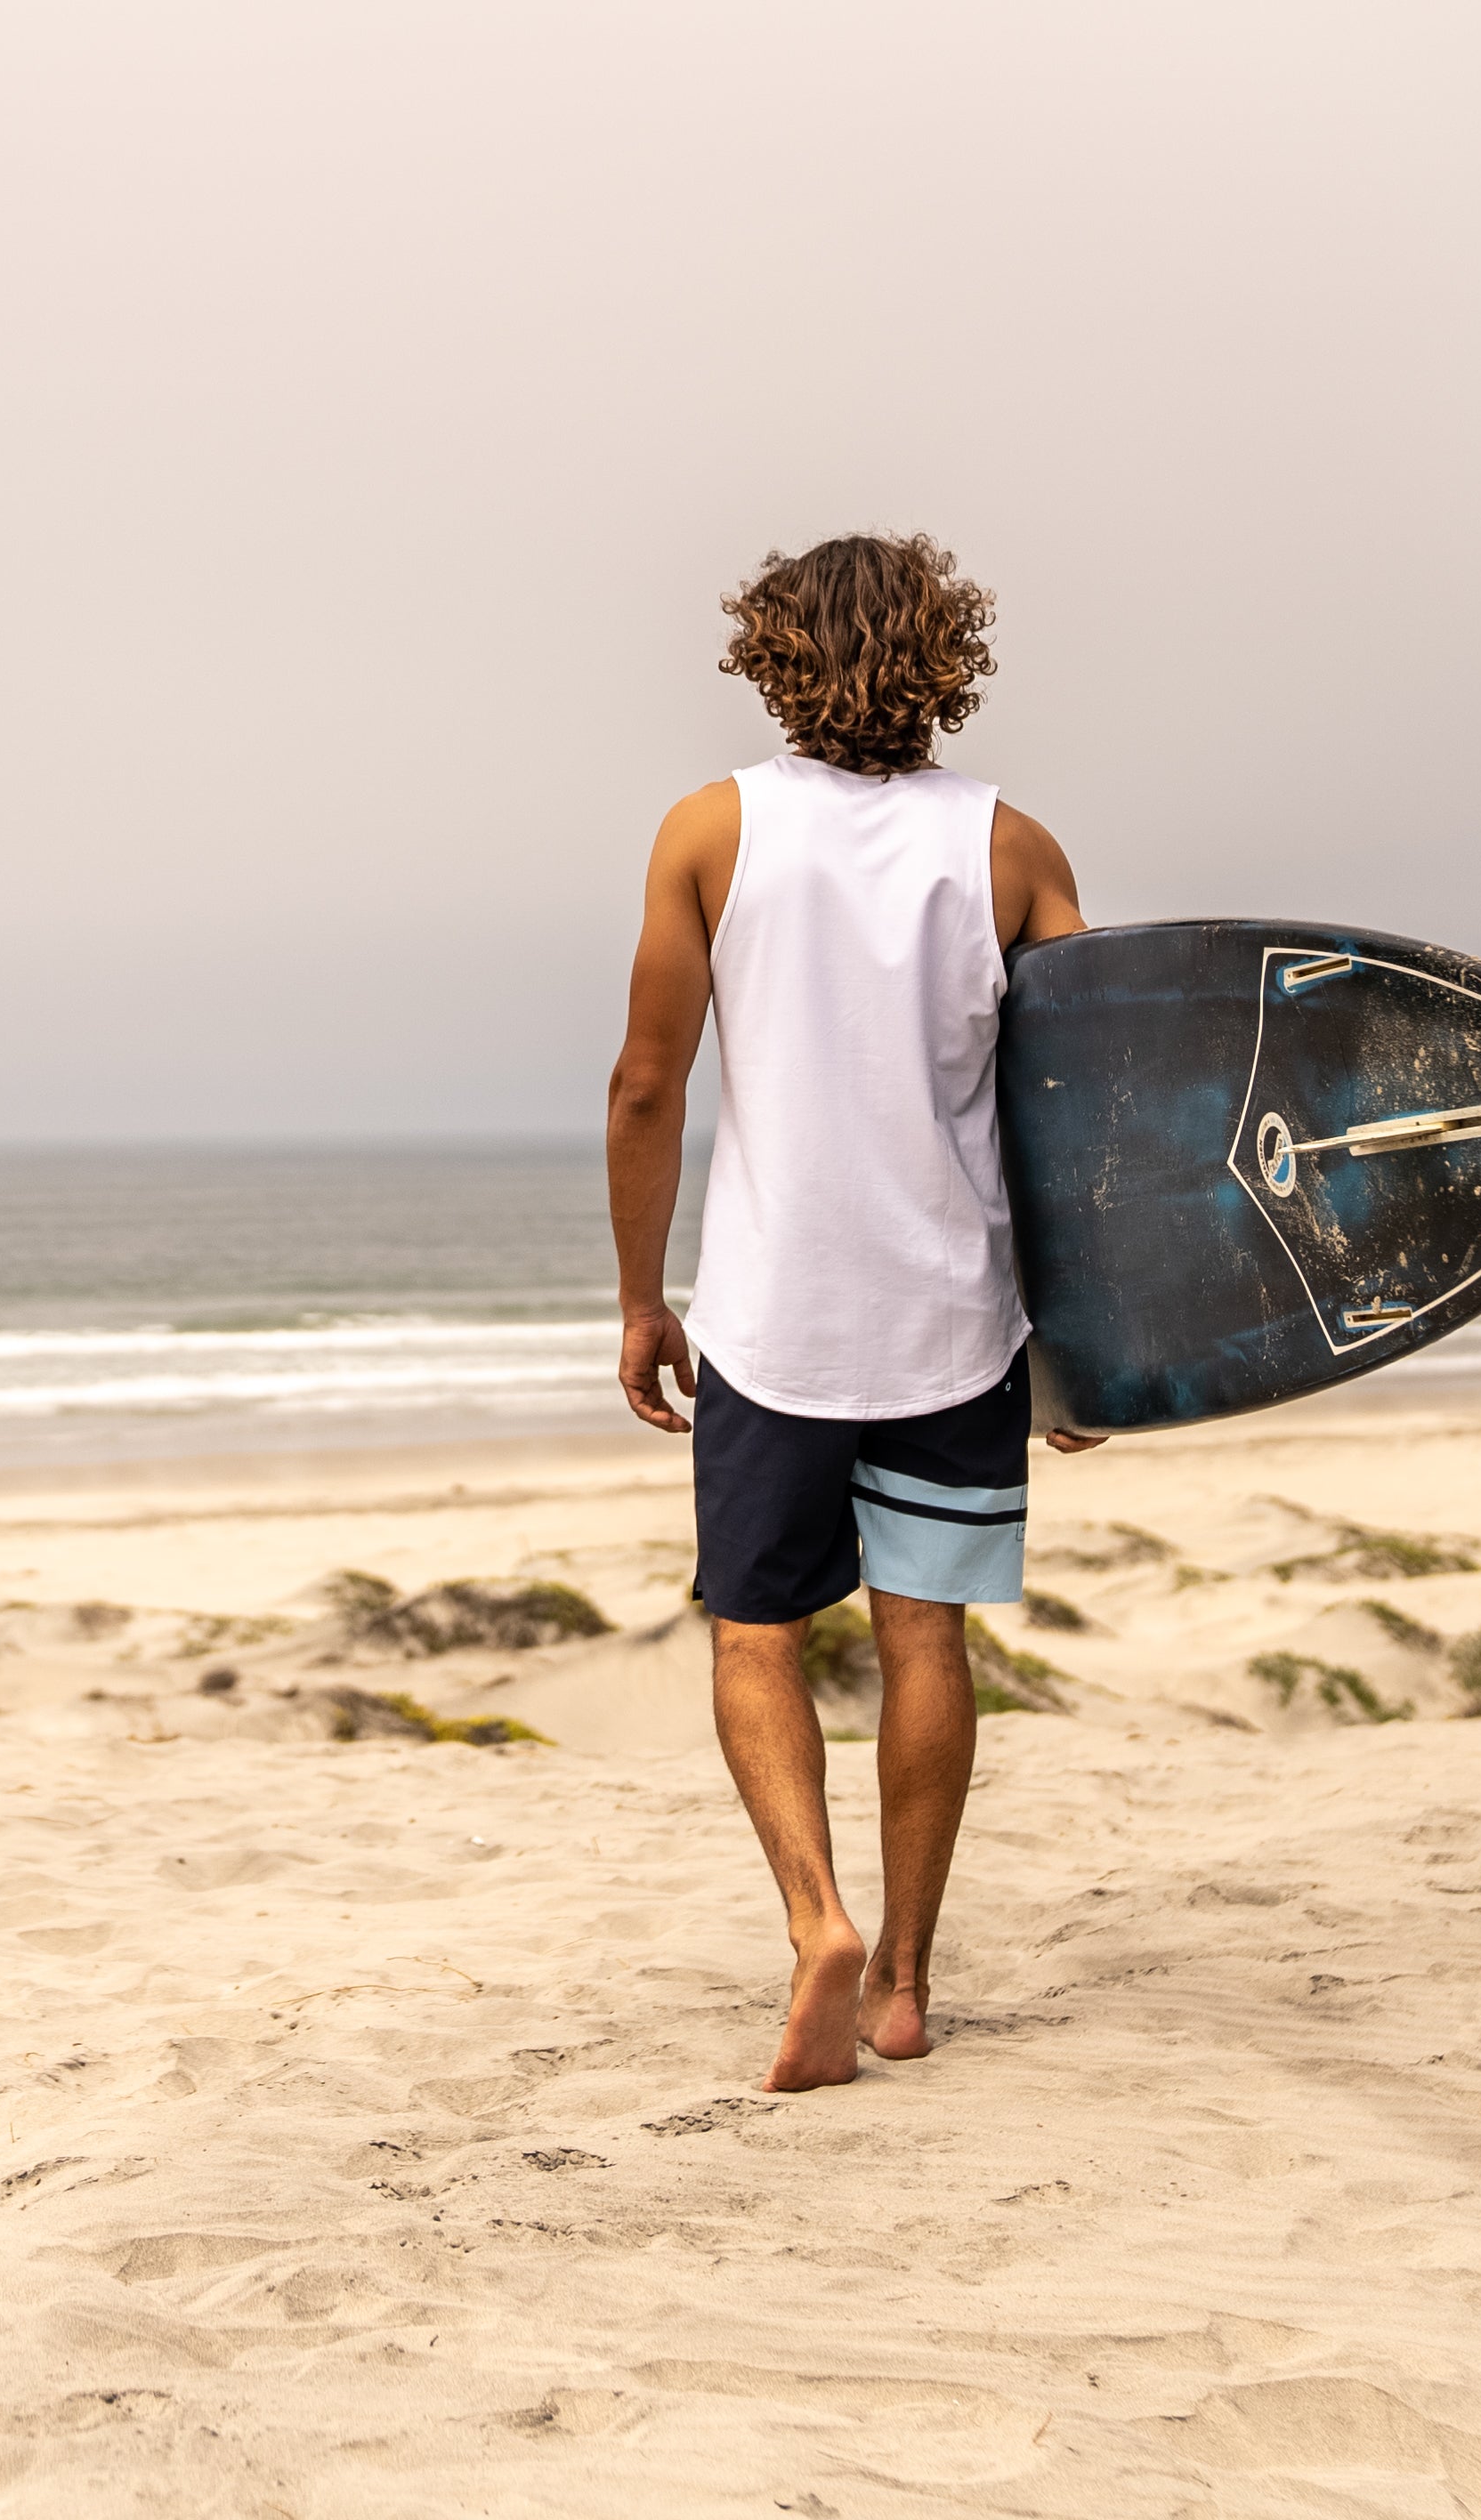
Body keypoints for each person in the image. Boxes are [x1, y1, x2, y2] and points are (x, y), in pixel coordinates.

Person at [603, 533, 1099, 2092]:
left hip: (772, 1319)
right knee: (923, 1636)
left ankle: (813, 1919)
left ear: (771, 656)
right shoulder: (1012, 849)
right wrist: (1092, 1343)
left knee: (758, 1633)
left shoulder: (711, 830)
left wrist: (639, 1298)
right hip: (954, 1320)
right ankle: (901, 1978)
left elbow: (647, 1086)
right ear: (947, 652)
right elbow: (1090, 1119)